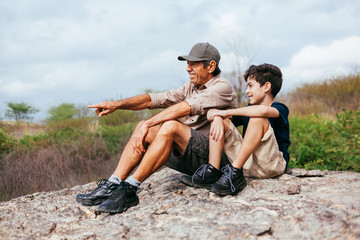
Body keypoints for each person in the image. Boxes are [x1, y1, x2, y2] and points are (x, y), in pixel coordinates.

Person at [76, 42, 237, 213]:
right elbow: (154, 99)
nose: (188, 68)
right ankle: (113, 184)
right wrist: (117, 104)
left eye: (193, 64)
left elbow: (185, 108)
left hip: (214, 162)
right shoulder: (191, 87)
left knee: (169, 126)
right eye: (187, 64)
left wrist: (148, 123)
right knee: (147, 128)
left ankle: (130, 189)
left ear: (211, 66)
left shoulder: (221, 87)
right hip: (192, 156)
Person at [180, 63, 290, 196]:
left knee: (257, 117)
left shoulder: (280, 108)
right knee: (220, 119)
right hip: (248, 164)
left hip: (271, 165)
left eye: (250, 86)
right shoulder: (249, 109)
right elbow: (213, 115)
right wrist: (217, 116)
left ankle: (234, 172)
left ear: (266, 86)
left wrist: (224, 113)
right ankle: (212, 171)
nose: (246, 91)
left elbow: (263, 111)